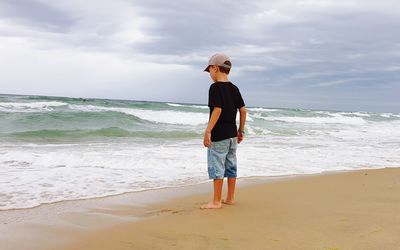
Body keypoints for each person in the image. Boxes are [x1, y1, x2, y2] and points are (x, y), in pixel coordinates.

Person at [201, 53, 247, 209]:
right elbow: (243, 110)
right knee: (231, 165)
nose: (210, 75)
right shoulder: (234, 88)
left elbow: (217, 109)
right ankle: (230, 198)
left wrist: (208, 131)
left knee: (217, 167)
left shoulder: (214, 88)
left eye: (210, 72)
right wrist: (241, 131)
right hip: (232, 135)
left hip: (219, 135)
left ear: (215, 68)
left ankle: (216, 201)